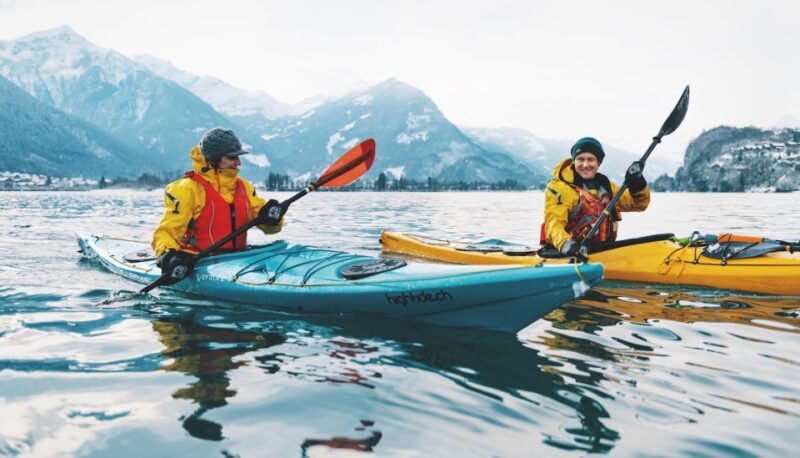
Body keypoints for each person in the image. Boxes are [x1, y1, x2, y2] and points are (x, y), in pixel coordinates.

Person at [152, 127, 284, 279]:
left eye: (238, 156)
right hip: (199, 262)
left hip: (238, 259)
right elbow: (165, 233)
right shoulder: (188, 189)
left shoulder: (245, 187)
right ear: (214, 158)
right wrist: (168, 256)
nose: (238, 162)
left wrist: (273, 218)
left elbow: (271, 229)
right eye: (232, 157)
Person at [542, 137, 649, 256]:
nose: (585, 164)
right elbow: (553, 225)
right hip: (570, 254)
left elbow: (639, 205)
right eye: (580, 159)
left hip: (602, 252)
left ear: (598, 163)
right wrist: (566, 244)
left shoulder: (606, 186)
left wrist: (637, 184)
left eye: (590, 160)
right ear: (574, 161)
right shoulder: (560, 188)